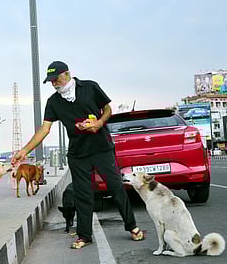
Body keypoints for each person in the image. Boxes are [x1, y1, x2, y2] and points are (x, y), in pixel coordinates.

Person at [11, 61, 146, 249]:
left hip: (101, 147)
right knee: (82, 194)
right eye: (50, 81)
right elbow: (45, 129)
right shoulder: (54, 102)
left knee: (116, 187)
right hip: (78, 153)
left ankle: (132, 226)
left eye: (56, 79)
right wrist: (24, 151)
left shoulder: (90, 87)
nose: (54, 84)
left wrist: (99, 123)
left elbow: (107, 108)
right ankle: (84, 236)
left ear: (67, 74)